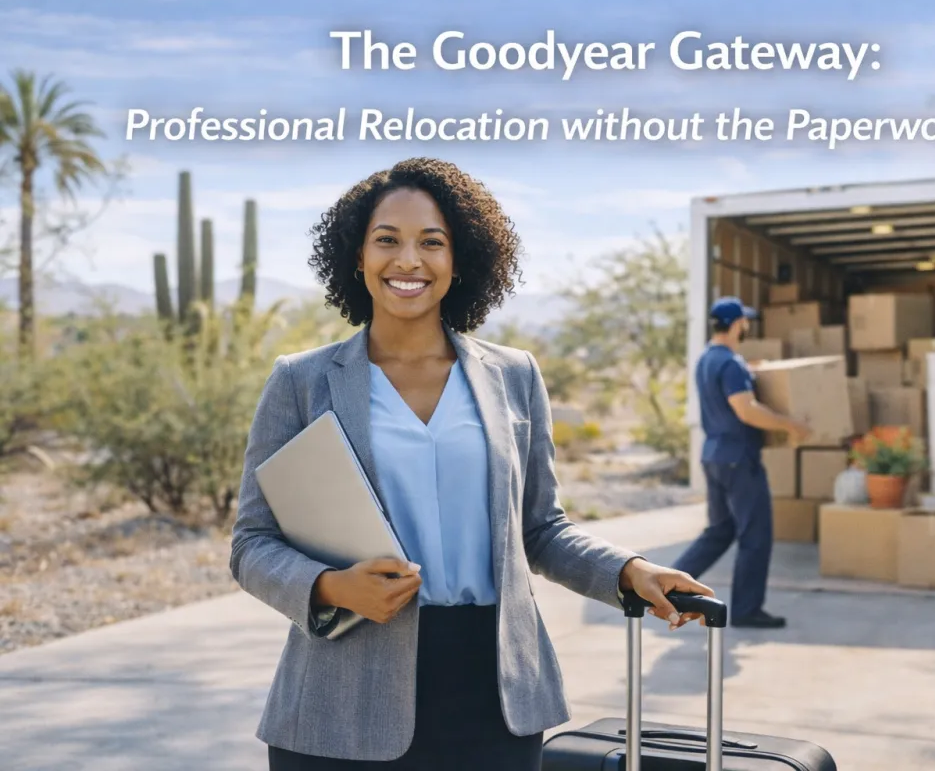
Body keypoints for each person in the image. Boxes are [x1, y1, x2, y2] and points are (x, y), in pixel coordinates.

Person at [229, 157, 714, 770]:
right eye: (387, 240)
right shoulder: (300, 382)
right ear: (357, 256)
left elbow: (538, 529)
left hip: (493, 696)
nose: (409, 260)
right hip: (342, 702)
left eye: (433, 242)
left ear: (461, 262)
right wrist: (330, 587)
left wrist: (629, 571)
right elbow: (252, 542)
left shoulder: (514, 375)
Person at [672, 296, 810, 629]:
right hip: (739, 460)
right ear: (737, 325)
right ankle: (747, 610)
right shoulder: (731, 364)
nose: (747, 326)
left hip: (714, 456)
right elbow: (746, 409)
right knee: (756, 535)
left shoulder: (708, 359)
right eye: (745, 321)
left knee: (720, 531)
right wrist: (791, 424)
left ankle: (670, 586)